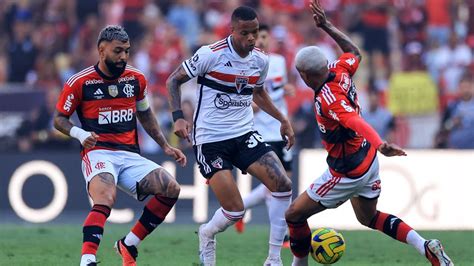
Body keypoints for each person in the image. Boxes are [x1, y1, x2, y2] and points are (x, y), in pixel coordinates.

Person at [284, 2, 454, 266]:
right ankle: (426, 247)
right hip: (367, 160)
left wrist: (381, 143)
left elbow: (353, 120)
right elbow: (354, 51)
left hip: (347, 170)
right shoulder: (340, 69)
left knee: (294, 214)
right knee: (368, 218)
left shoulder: (328, 98)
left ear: (305, 76)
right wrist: (327, 25)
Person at [166, 6, 294, 266]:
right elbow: (173, 80)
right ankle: (207, 233)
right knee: (235, 210)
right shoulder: (210, 55)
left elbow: (258, 93)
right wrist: (178, 116)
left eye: (255, 32)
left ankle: (273, 259)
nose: (251, 38)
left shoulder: (260, 60)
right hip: (210, 141)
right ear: (232, 30)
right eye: (245, 33)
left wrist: (282, 119)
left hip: (244, 134)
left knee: (283, 186)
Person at [54, 25, 187, 266]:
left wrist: (165, 146)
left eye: (127, 51)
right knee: (106, 196)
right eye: (118, 51)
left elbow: (145, 115)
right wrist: (79, 133)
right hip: (98, 151)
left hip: (129, 154)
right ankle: (87, 260)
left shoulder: (136, 79)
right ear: (101, 50)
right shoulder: (80, 82)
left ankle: (129, 244)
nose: (123, 56)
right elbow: (59, 119)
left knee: (171, 188)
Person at [232, 24, 294, 249]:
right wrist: (278, 93)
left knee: (282, 183)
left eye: (264, 37)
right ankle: (282, 236)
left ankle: (240, 209)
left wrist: (285, 93)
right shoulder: (248, 63)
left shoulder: (278, 62)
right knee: (275, 184)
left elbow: (277, 91)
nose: (261, 41)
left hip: (280, 128)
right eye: (258, 37)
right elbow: (255, 101)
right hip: (261, 131)